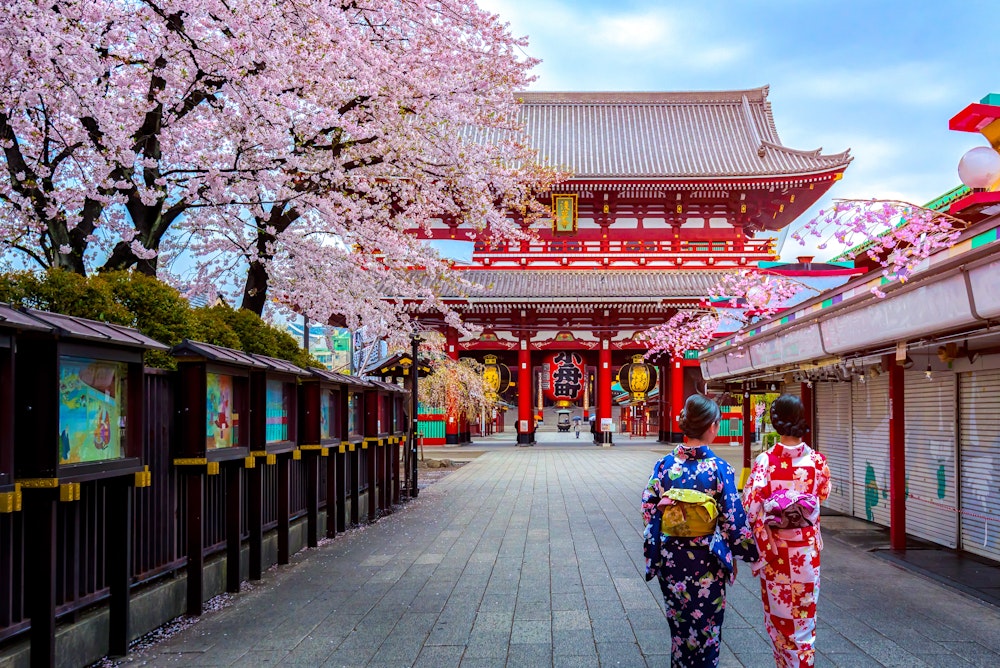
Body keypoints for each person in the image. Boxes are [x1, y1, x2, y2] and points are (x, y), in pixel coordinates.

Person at [641, 394, 758, 667]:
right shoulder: (719, 468)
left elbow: (648, 509)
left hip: (672, 559)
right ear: (712, 426)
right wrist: (747, 554)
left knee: (680, 628)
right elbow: (733, 519)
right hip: (706, 560)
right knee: (707, 630)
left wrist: (666, 512)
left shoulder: (665, 466)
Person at [742, 394, 831, 668]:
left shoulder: (765, 462)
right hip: (805, 554)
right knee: (804, 623)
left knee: (780, 623)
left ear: (775, 421)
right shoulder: (817, 461)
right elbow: (823, 495)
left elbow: (750, 505)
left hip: (777, 553)